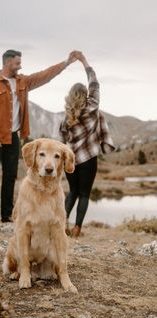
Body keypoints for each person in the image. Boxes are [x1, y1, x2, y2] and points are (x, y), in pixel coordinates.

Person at [0, 49, 79, 223]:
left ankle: (7, 215)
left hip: (13, 137)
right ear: (8, 62)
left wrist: (66, 63)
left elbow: (44, 75)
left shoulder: (22, 82)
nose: (20, 65)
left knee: (10, 176)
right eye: (17, 63)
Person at [60, 51, 115, 237]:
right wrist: (83, 61)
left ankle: (62, 225)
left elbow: (62, 139)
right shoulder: (92, 108)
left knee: (73, 192)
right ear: (85, 95)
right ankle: (77, 229)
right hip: (89, 159)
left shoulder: (66, 117)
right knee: (84, 194)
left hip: (71, 160)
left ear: (70, 96)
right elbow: (94, 82)